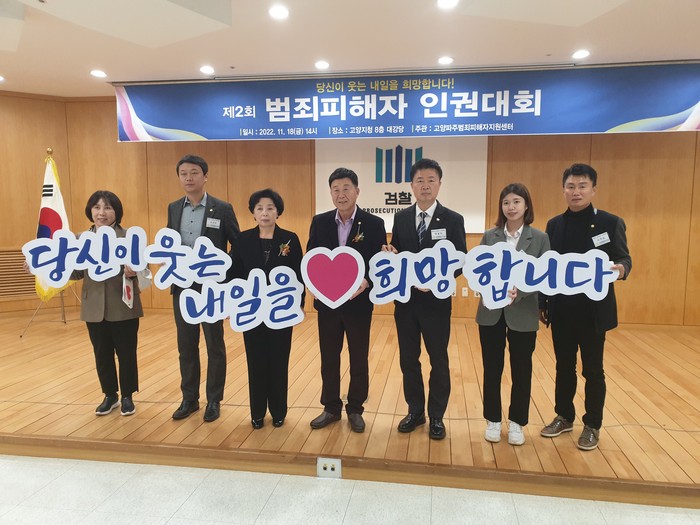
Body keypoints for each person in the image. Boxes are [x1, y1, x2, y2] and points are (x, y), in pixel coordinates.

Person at [539, 163, 631, 451]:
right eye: (570, 186)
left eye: (582, 186)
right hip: (562, 310)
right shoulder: (554, 225)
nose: (575, 191)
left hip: (593, 312)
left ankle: (592, 424)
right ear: (563, 190)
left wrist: (621, 270)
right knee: (563, 367)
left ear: (593, 190)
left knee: (593, 369)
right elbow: (547, 267)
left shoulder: (610, 223)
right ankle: (564, 416)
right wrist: (543, 301)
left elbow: (624, 258)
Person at [384, 158, 467, 440]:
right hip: (406, 302)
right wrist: (390, 253)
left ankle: (437, 416)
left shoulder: (453, 219)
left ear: (439, 184)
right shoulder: (401, 217)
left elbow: (460, 261)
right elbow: (398, 251)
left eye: (431, 180)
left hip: (436, 303)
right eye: (420, 180)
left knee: (438, 360)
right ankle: (415, 411)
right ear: (412, 185)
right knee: (409, 359)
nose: (425, 186)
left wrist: (435, 282)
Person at [307, 167, 386, 433]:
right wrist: (313, 284)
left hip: (358, 304)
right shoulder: (320, 222)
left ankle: (355, 408)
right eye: (336, 189)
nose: (341, 194)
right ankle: (330, 407)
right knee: (329, 357)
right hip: (327, 304)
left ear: (357, 191)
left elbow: (377, 262)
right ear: (330, 193)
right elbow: (311, 257)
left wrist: (367, 281)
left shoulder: (373, 224)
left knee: (358, 357)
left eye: (346, 189)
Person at [476, 183, 550, 446]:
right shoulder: (490, 236)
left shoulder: (539, 238)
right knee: (491, 368)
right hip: (491, 313)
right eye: (506, 202)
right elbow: (479, 270)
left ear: (526, 205)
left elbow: (544, 274)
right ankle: (493, 420)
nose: (511, 207)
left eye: (516, 201)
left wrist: (523, 291)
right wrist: (486, 287)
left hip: (523, 312)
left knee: (521, 369)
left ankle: (517, 421)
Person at [168, 154, 239, 423]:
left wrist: (225, 280)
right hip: (182, 286)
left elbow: (237, 246)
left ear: (205, 176)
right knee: (186, 345)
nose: (188, 178)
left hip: (211, 288)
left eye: (194, 173)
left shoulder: (222, 208)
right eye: (183, 173)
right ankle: (189, 399)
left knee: (214, 344)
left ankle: (214, 400)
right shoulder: (174, 207)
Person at [229, 189, 304, 429]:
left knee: (279, 361)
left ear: (277, 212)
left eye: (270, 208)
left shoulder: (289, 239)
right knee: (256, 362)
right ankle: (257, 413)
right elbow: (234, 275)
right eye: (259, 208)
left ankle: (279, 411)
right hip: (251, 311)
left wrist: (297, 305)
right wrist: (234, 305)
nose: (265, 212)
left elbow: (299, 276)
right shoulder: (242, 240)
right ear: (253, 212)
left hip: (281, 312)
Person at [72, 191, 143, 417]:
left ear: (116, 212)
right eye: (97, 207)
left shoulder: (129, 237)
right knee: (101, 353)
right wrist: (39, 267)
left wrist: (135, 272)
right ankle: (110, 395)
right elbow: (75, 273)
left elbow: (145, 273)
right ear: (90, 211)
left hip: (123, 305)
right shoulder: (80, 239)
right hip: (93, 306)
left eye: (108, 207)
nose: (101, 213)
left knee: (126, 353)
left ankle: (128, 396)